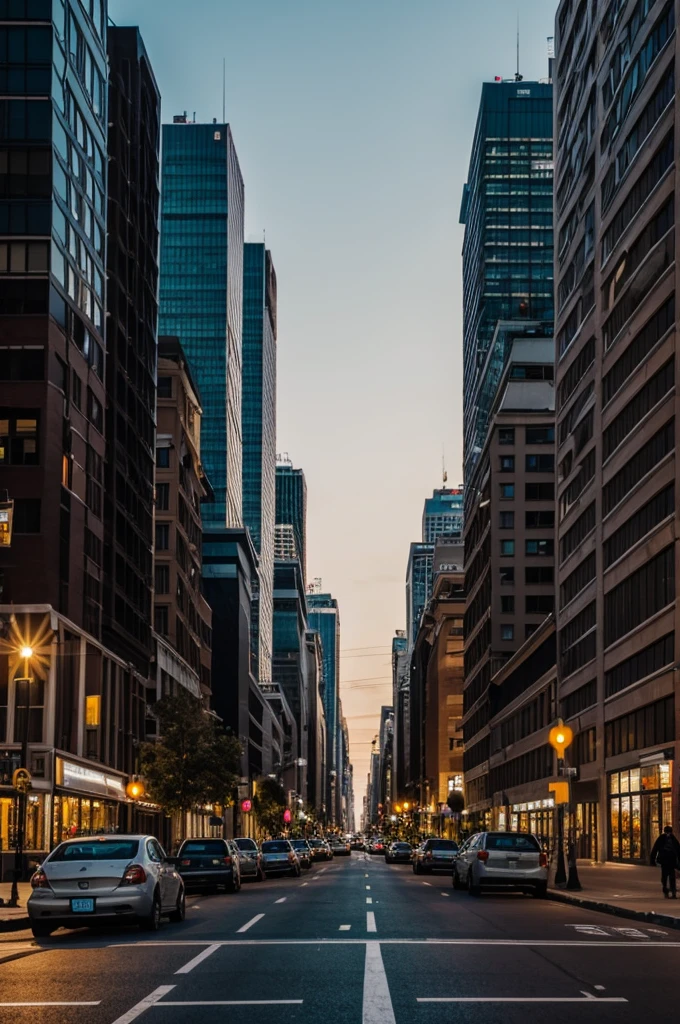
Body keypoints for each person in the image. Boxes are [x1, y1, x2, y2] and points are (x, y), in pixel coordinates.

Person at [650, 825, 680, 898]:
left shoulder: (672, 839)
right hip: (665, 861)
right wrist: (652, 860)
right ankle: (666, 890)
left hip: (670, 861)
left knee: (671, 877)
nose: (668, 834)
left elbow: (678, 850)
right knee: (665, 876)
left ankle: (673, 892)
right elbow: (655, 848)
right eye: (667, 832)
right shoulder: (663, 838)